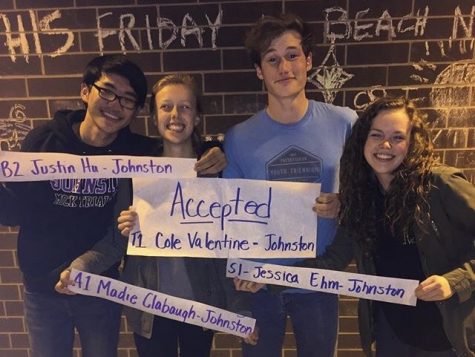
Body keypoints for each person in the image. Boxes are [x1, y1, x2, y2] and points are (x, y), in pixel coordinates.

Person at [0, 55, 224, 357]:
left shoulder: (136, 154)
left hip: (102, 287)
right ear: (85, 91)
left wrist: (217, 150)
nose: (115, 104)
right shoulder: (44, 142)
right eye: (107, 92)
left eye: (127, 99)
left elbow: (191, 161)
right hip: (44, 287)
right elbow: (16, 208)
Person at [296, 97, 475, 356]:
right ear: (363, 141)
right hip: (392, 337)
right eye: (376, 135)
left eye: (398, 137)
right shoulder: (360, 198)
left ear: (413, 142)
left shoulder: (440, 184)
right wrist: (264, 276)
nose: (385, 145)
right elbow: (333, 260)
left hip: (448, 339)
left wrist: (454, 281)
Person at [223, 13, 357, 357]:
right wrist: (239, 278)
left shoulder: (345, 123)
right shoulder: (238, 138)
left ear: (308, 61)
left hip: (317, 278)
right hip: (259, 283)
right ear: (259, 71)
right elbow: (231, 216)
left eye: (293, 54)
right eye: (272, 59)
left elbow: (367, 191)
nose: (284, 66)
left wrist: (345, 201)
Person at [115, 74, 255, 357]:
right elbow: (113, 238)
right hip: (150, 307)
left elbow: (228, 245)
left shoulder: (218, 173)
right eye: (166, 107)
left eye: (185, 107)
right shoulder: (137, 174)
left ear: (197, 116)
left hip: (200, 307)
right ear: (154, 116)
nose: (175, 115)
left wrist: (239, 308)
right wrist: (123, 231)